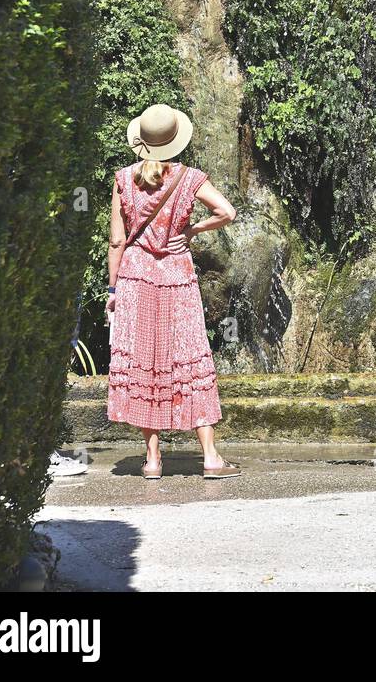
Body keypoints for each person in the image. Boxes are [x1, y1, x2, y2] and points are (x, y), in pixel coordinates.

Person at [106, 102, 240, 479]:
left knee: (146, 360)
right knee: (189, 353)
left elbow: (117, 242)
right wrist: (192, 231)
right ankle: (210, 457)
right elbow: (227, 212)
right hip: (177, 275)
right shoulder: (190, 179)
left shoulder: (123, 179)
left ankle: (151, 460)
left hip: (134, 276)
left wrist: (112, 289)